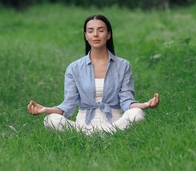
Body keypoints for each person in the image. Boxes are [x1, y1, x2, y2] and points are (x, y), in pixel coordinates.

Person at [28, 14, 159, 135]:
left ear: (108, 35)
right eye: (90, 31)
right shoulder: (74, 68)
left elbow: (127, 101)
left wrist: (145, 105)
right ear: (86, 35)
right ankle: (97, 135)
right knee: (50, 120)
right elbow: (68, 106)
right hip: (82, 126)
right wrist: (45, 109)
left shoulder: (123, 65)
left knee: (137, 113)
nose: (95, 34)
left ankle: (102, 134)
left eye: (101, 30)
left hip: (115, 124)